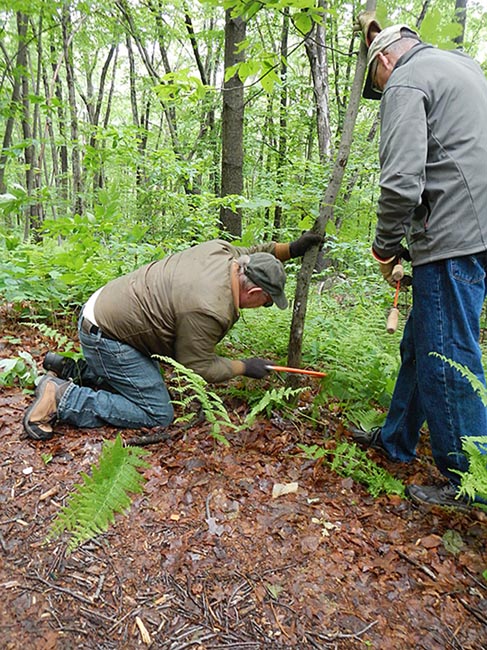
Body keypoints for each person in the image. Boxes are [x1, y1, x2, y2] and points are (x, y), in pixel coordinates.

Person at [351, 22, 487, 510]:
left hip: (451, 238)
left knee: (448, 356)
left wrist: (385, 247)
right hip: (476, 233)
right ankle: (395, 440)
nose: (381, 91)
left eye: (377, 84)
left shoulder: (407, 81)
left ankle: (468, 480)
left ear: (383, 61)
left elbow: (403, 181)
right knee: (422, 342)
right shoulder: (466, 68)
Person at [23, 233, 321, 441]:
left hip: (104, 309)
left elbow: (259, 250)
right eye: (267, 301)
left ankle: (75, 370)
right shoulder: (208, 309)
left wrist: (292, 248)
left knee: (145, 383)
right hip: (108, 336)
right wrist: (245, 367)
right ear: (254, 292)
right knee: (156, 413)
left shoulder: (225, 254)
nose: (265, 306)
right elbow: (198, 366)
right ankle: (63, 397)